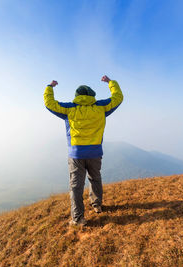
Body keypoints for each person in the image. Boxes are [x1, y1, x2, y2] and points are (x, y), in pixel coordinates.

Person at [44, 75, 123, 226]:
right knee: (95, 178)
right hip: (95, 152)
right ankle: (97, 205)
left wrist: (50, 86)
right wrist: (110, 82)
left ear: (77, 96)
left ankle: (78, 218)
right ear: (92, 96)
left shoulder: (69, 109)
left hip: (76, 154)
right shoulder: (101, 107)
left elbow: (49, 103)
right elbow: (118, 98)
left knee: (76, 186)